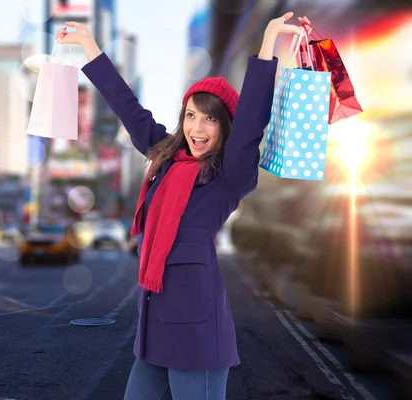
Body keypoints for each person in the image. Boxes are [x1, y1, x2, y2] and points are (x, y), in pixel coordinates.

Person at [56, 12, 311, 400]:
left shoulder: (229, 175)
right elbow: (130, 110)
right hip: (155, 329)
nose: (197, 128)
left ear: (225, 127)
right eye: (191, 116)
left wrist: (267, 46)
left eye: (210, 119)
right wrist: (89, 46)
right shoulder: (168, 158)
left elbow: (248, 131)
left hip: (196, 337)